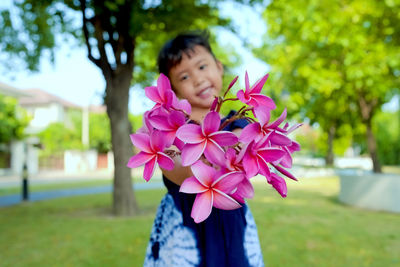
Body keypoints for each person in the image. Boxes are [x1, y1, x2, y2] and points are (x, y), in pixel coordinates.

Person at [143, 31, 264, 267]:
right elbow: (177, 169)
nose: (198, 79)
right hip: (185, 226)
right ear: (173, 92)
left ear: (219, 67)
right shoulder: (169, 130)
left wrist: (219, 156)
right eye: (184, 77)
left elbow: (239, 145)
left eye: (202, 66)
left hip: (232, 223)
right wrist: (203, 164)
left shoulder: (239, 121)